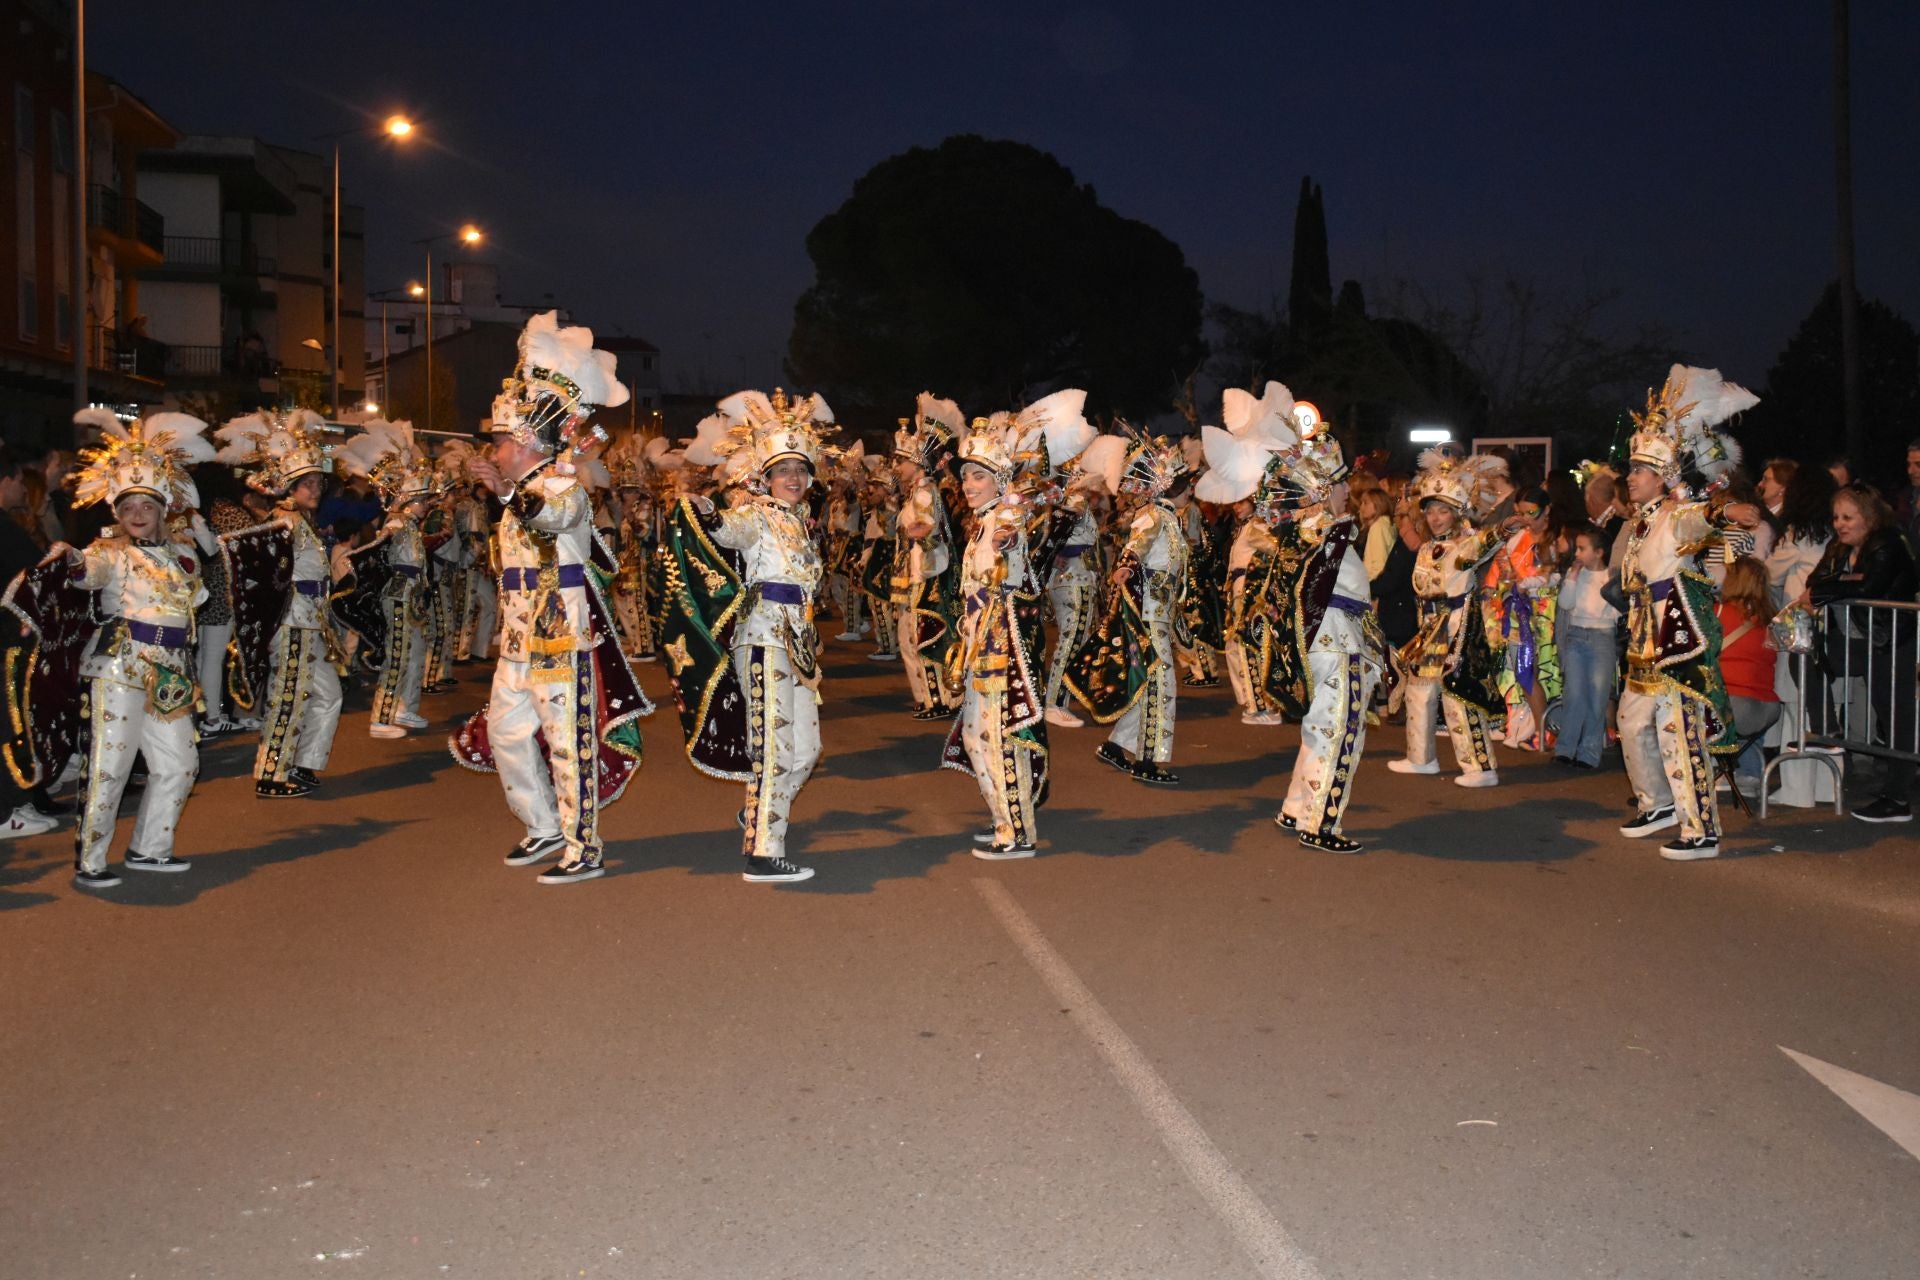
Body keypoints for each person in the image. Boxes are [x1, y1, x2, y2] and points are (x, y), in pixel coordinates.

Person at [457, 312, 649, 883]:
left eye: (498, 442)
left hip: (561, 638)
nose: (491, 451)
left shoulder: (561, 484)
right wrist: (506, 493)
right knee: (506, 732)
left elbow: (555, 516)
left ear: (524, 444)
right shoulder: (519, 489)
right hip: (518, 639)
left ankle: (582, 845)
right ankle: (541, 825)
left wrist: (508, 491)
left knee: (568, 744)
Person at [676, 389, 834, 882]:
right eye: (783, 470)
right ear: (764, 477)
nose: (793, 477)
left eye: (800, 470)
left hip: (801, 644)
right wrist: (708, 510)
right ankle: (765, 851)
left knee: (806, 749)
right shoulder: (756, 515)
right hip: (763, 639)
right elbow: (726, 530)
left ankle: (757, 812)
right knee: (774, 747)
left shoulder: (802, 525)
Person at [63, 411, 217, 888]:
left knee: (180, 763)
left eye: (145, 506)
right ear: (115, 509)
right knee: (111, 765)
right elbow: (86, 573)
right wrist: (70, 560)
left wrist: (190, 538)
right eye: (128, 504)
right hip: (120, 666)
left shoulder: (179, 556)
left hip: (170, 670)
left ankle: (149, 849)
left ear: (160, 510)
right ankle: (90, 859)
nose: (136, 514)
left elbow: (196, 598)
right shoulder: (107, 552)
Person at [1615, 365, 1753, 862]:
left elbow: (1700, 520)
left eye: (1640, 471)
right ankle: (1657, 805)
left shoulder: (1675, 517)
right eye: (1631, 469)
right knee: (1631, 721)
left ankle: (1701, 829)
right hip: (1642, 636)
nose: (1630, 477)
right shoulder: (1643, 521)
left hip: (1676, 636)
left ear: (1665, 477)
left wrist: (1725, 512)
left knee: (1679, 730)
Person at [1255, 412, 1386, 852]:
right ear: (1321, 489)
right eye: (1340, 483)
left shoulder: (1295, 535)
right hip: (1340, 645)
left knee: (1317, 730)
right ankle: (1321, 825)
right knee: (1339, 733)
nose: (1349, 490)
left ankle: (1296, 808)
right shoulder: (1329, 530)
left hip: (1318, 645)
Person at [211, 410, 345, 799]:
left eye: (319, 481)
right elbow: (259, 565)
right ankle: (270, 773)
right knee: (286, 695)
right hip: (291, 623)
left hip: (312, 622)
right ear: (290, 486)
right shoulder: (283, 521)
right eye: (308, 483)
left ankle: (303, 763)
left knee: (329, 694)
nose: (316, 488)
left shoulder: (303, 522)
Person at [1077, 432, 1192, 785]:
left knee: (1146, 683)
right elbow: (1138, 543)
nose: (1192, 490)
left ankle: (1116, 747)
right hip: (1148, 616)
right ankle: (1147, 760)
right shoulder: (1155, 515)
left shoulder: (1169, 517)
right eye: (1187, 484)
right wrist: (1126, 563)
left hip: (1158, 614)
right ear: (1174, 487)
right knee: (1160, 685)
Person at [1802, 483, 1919, 823]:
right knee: (1809, 659)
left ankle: (1897, 799)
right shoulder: (1838, 548)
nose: (1840, 524)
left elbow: (1871, 587)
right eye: (1836, 516)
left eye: (1848, 517)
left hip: (1888, 640)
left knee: (1894, 715)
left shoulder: (1888, 542)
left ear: (1868, 517)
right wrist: (1839, 584)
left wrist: (1834, 586)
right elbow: (1815, 581)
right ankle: (1829, 734)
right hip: (1853, 639)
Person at [1389, 450, 1506, 787]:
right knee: (1420, 691)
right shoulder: (1426, 548)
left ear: (1456, 514)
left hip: (1456, 628)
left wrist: (1505, 528)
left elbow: (1486, 542)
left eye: (1443, 511)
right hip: (1429, 630)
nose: (1435, 517)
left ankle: (1481, 768)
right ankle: (1420, 758)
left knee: (1458, 696)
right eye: (1430, 511)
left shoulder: (1463, 544)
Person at [338, 421, 437, 740]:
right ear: (408, 501)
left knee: (416, 653)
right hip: (397, 596)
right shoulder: (396, 522)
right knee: (397, 655)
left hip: (414, 596)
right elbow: (376, 552)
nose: (425, 506)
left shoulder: (409, 523)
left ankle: (404, 706)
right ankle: (380, 717)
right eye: (421, 500)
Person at [1759, 466, 1838, 807]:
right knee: (1825, 713)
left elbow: (1770, 573)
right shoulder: (1832, 534)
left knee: (1796, 706)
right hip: (1828, 630)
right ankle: (1826, 788)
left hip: (1799, 630)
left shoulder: (1797, 535)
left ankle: (1797, 790)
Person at [891, 396, 962, 719]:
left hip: (927, 575)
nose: (895, 467)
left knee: (926, 637)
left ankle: (941, 700)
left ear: (916, 464)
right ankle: (928, 697)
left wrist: (912, 531)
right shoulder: (916, 492)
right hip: (914, 574)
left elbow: (924, 528)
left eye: (900, 461)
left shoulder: (924, 492)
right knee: (910, 638)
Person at [1552, 525, 1619, 770]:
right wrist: (1571, 578)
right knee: (1574, 694)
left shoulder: (1611, 576)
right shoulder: (1575, 574)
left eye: (1582, 548)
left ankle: (1589, 752)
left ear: (1599, 552)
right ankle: (1565, 748)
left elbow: (1617, 610)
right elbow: (1566, 604)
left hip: (1602, 636)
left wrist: (1614, 586)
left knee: (1597, 696)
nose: (1577, 553)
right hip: (1576, 636)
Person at [1715, 556, 1782, 796]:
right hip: (1769, 708)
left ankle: (1709, 772)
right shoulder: (1772, 620)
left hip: (1735, 706)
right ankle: (1749, 775)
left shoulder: (1718, 613)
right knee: (1743, 722)